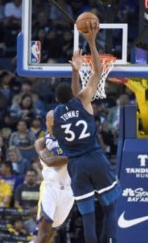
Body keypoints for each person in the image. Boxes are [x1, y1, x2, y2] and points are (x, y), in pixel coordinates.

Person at [48, 21, 121, 243]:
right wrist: (91, 41)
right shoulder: (83, 101)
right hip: (95, 157)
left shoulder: (52, 116)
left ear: (56, 99)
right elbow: (98, 71)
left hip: (76, 165)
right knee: (110, 208)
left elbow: (67, 104)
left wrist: (74, 73)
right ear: (73, 94)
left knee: (88, 217)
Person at [34, 132, 73, 243]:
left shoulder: (73, 139)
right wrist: (76, 156)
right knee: (44, 233)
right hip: (50, 187)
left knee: (51, 232)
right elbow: (50, 161)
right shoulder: (41, 142)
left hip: (69, 190)